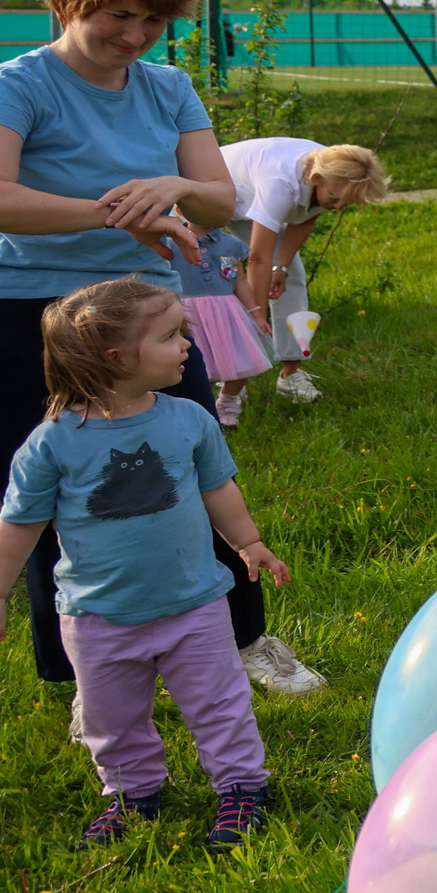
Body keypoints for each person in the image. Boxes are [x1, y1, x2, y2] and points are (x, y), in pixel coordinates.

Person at [0, 0, 316, 701]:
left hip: (150, 314)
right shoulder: (20, 84)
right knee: (51, 492)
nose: (135, 34)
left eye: (152, 18)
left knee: (196, 470)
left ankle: (244, 637)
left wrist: (175, 186)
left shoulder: (169, 87)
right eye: (118, 14)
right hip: (37, 316)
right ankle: (82, 673)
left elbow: (214, 200)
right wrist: (115, 210)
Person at [0, 278, 290, 851]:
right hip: (98, 617)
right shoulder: (52, 444)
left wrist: (248, 542)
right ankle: (134, 796)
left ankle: (241, 788)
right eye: (170, 335)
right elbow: (19, 527)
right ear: (117, 358)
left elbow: (219, 489)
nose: (188, 342)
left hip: (195, 604)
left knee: (220, 704)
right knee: (113, 720)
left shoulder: (187, 419)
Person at [215, 137, 391, 411]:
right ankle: (232, 377)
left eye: (344, 204)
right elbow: (258, 259)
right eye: (335, 199)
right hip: (215, 192)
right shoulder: (281, 183)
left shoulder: (337, 178)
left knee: (293, 276)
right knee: (210, 282)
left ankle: (291, 373)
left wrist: (281, 268)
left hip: (253, 200)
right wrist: (256, 314)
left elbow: (306, 218)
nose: (337, 207)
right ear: (317, 177)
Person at [173, 222, 271, 420]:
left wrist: (256, 314)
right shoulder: (172, 243)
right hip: (190, 315)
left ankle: (228, 400)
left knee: (241, 358)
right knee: (200, 365)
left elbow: (239, 281)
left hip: (226, 313)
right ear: (181, 210)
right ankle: (204, 408)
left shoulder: (231, 244)